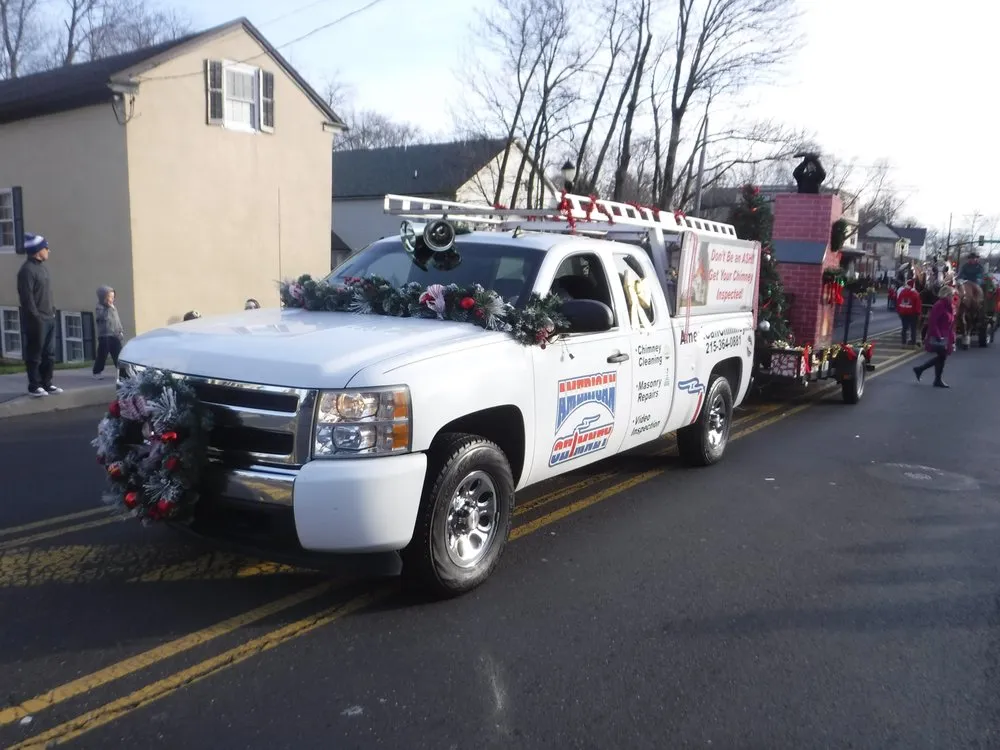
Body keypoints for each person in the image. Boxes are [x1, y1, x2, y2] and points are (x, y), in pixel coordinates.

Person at [16, 232, 62, 398]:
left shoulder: (42, 268)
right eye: (45, 248)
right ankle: (34, 385)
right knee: (35, 354)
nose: (48, 250)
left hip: (50, 316)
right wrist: (36, 317)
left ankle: (47, 383)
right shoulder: (27, 271)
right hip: (37, 320)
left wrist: (53, 312)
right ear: (37, 250)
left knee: (49, 354)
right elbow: (27, 298)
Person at [913, 285, 957, 389]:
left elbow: (951, 323)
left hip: (946, 336)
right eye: (952, 295)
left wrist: (953, 337)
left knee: (942, 357)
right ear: (947, 295)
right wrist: (938, 336)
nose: (953, 297)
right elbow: (933, 322)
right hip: (939, 336)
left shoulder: (950, 306)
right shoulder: (939, 305)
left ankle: (932, 376)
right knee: (942, 357)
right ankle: (926, 372)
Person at [93, 285, 125, 380]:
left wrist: (120, 330)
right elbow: (102, 317)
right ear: (103, 298)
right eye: (109, 297)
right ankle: (97, 371)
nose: (112, 299)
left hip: (115, 335)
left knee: (119, 354)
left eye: (113, 297)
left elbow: (117, 320)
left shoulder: (113, 308)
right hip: (105, 336)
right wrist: (107, 308)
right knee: (102, 355)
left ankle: (123, 373)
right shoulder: (100, 307)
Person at [895, 278, 921, 346]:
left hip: (903, 312)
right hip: (912, 314)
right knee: (913, 329)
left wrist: (899, 311)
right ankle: (913, 343)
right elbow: (917, 304)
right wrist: (918, 313)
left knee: (904, 328)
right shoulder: (915, 293)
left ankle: (903, 342)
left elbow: (898, 302)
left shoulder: (902, 292)